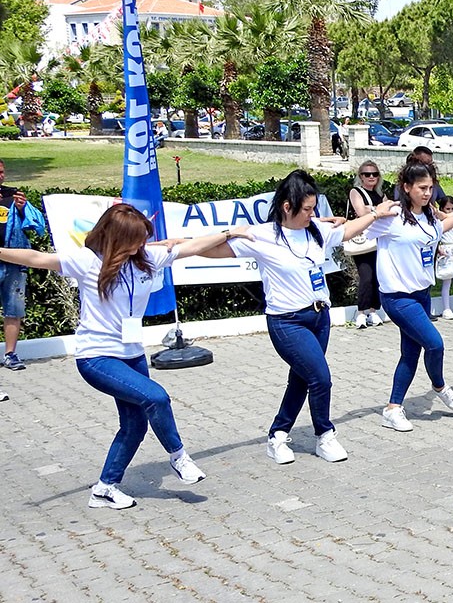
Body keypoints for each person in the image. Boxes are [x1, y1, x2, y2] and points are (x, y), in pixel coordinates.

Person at [0, 204, 244, 509]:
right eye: (136, 239)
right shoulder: (88, 261)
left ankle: (104, 488)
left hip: (132, 354)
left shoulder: (147, 259)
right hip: (97, 358)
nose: (142, 244)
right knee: (156, 398)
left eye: (144, 238)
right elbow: (37, 258)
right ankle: (179, 457)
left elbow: (193, 247)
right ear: (118, 237)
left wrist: (230, 231)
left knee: (134, 426)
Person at [219, 170, 393, 465]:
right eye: (307, 209)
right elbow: (207, 250)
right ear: (287, 207)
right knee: (320, 378)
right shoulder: (262, 236)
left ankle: (277, 435)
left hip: (319, 318)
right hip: (287, 322)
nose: (312, 215)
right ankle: (325, 435)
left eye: (314, 209)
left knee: (302, 380)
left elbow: (349, 230)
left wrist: (376, 213)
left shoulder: (316, 230)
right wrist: (223, 234)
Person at [368, 162, 453, 433]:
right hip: (397, 297)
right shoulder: (392, 216)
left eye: (430, 188)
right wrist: (373, 212)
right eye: (421, 188)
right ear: (406, 188)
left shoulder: (430, 216)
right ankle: (440, 385)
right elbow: (357, 228)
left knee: (410, 352)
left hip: (421, 294)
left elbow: (442, 229)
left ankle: (393, 408)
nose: (427, 193)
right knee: (435, 343)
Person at [0, 160, 47, 372]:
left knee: (14, 308)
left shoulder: (13, 198)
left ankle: (10, 354)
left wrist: (21, 209)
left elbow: (34, 225)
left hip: (13, 261)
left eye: (2, 172)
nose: (0, 176)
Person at [348, 160, 386, 329]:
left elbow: (388, 210)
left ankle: (373, 310)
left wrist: (373, 209)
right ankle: (361, 312)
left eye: (375, 174)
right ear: (360, 176)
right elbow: (360, 212)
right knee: (366, 275)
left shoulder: (381, 194)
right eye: (367, 174)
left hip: (378, 239)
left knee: (377, 276)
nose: (371, 177)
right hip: (362, 239)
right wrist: (377, 210)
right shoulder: (356, 191)